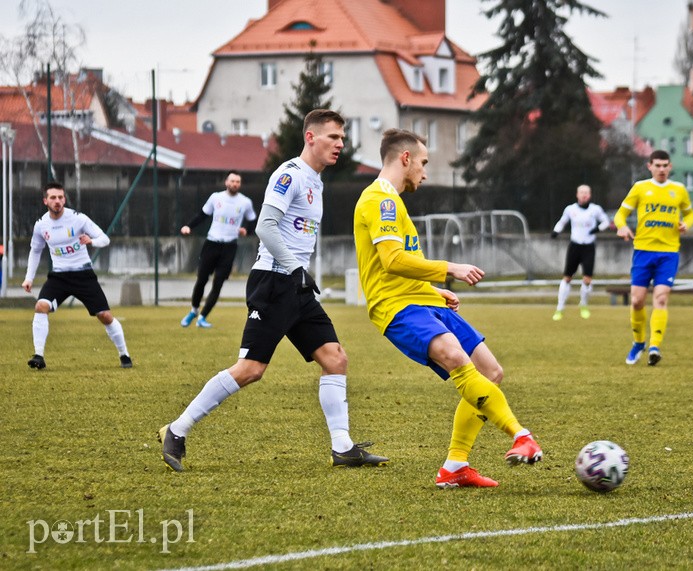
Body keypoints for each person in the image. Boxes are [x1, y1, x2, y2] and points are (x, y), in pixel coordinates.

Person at [159, 109, 387, 472]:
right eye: (333, 137)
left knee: (335, 358)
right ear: (310, 137)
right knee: (250, 369)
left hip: (296, 285)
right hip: (274, 282)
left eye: (342, 138)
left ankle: (342, 447)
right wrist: (296, 269)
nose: (340, 144)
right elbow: (265, 227)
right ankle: (177, 429)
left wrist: (300, 273)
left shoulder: (316, 180)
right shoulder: (290, 174)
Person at [353, 129, 542, 488]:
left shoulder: (393, 202)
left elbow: (400, 265)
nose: (424, 173)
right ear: (405, 159)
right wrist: (449, 268)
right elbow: (391, 260)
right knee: (457, 358)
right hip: (397, 308)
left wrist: (434, 290)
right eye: (423, 163)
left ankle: (455, 466)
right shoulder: (381, 200)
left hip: (422, 301)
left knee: (490, 370)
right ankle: (520, 435)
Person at [21, 182, 132, 370]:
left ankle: (124, 355)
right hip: (59, 277)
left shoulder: (78, 219)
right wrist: (29, 278)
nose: (57, 201)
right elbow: (35, 251)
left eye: (60, 197)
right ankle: (38, 355)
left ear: (64, 199)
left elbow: (105, 238)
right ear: (45, 201)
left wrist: (92, 240)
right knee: (41, 306)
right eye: (53, 198)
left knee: (104, 315)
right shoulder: (41, 225)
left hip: (83, 275)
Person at [613, 149, 693, 366]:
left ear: (670, 167)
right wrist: (621, 227)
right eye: (657, 165)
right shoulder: (640, 188)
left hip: (669, 252)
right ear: (649, 166)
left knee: (660, 298)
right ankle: (639, 342)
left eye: (665, 165)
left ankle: (655, 346)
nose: (661, 169)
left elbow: (690, 213)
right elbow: (620, 214)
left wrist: (687, 224)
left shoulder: (678, 190)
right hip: (643, 251)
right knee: (637, 300)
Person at [179, 170, 257, 328]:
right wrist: (189, 226)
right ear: (226, 182)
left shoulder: (245, 202)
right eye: (232, 181)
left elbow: (253, 221)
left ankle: (202, 317)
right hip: (212, 243)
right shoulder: (216, 198)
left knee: (218, 283)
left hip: (229, 247)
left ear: (240, 184)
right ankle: (194, 310)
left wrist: (246, 231)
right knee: (202, 279)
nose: (235, 184)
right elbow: (202, 215)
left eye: (238, 182)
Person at [550, 184, 611, 320]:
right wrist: (556, 231)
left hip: (589, 247)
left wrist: (597, 229)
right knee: (567, 277)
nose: (584, 195)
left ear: (590, 195)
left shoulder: (595, 209)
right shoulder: (570, 209)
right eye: (581, 192)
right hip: (574, 247)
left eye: (587, 193)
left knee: (587, 279)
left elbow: (606, 222)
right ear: (577, 194)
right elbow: (562, 222)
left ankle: (583, 304)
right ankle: (560, 308)